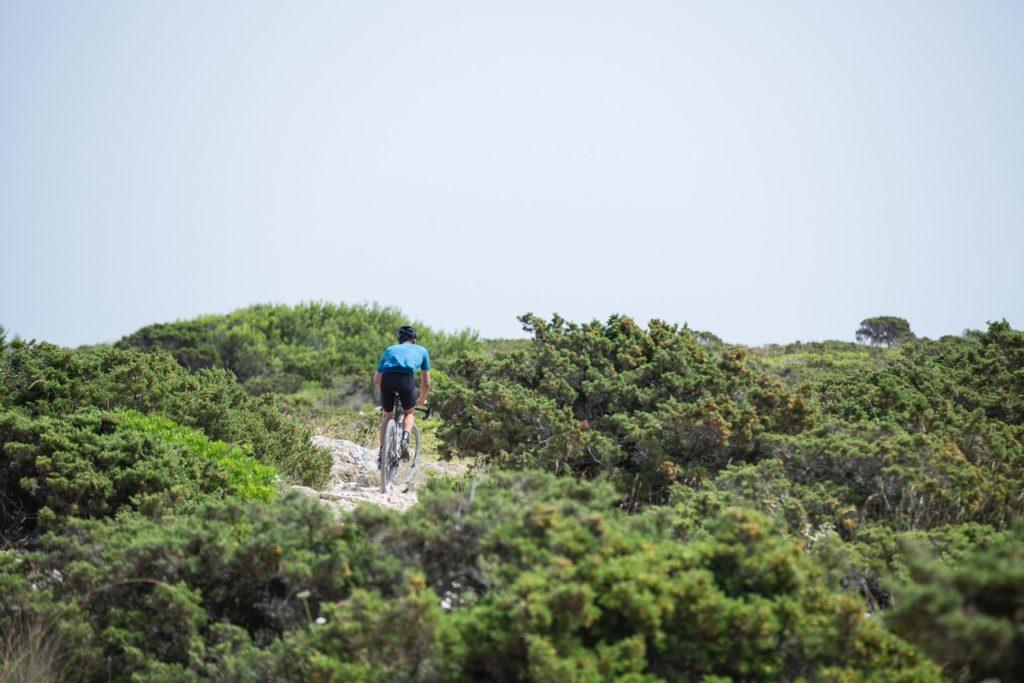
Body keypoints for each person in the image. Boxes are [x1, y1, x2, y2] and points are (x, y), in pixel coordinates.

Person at [373, 325, 430, 459]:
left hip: (387, 379)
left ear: (398, 340)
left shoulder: (389, 350)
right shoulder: (422, 351)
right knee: (408, 412)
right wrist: (421, 400)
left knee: (387, 417)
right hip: (406, 379)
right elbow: (426, 383)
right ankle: (405, 439)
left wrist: (385, 395)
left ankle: (382, 453)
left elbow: (376, 380)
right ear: (414, 340)